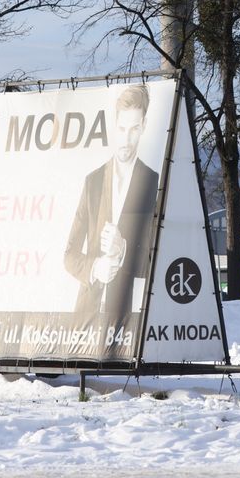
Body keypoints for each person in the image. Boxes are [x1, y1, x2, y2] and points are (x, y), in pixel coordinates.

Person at [63, 84, 160, 326]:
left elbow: (157, 264)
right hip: (86, 317)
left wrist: (123, 249)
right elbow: (69, 255)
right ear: (114, 125)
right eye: (122, 128)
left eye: (134, 129)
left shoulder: (154, 182)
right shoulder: (93, 181)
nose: (126, 139)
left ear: (144, 126)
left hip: (130, 320)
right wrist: (95, 268)